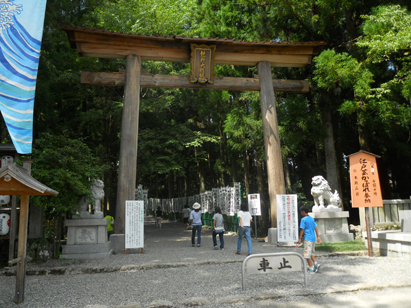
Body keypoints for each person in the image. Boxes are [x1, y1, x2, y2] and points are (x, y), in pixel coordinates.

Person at [298, 205, 321, 274]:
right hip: (313, 238)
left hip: (307, 238)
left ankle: (311, 268)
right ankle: (316, 263)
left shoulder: (303, 219)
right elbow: (316, 227)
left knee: (307, 254)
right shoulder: (311, 219)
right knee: (311, 253)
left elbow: (302, 229)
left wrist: (299, 239)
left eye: (301, 212)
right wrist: (318, 237)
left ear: (303, 211)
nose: (301, 213)